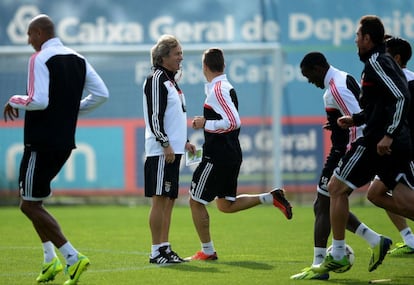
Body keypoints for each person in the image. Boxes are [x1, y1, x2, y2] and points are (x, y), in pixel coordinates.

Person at [3, 14, 109, 285]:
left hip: (40, 142)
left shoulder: (40, 58)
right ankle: (50, 260)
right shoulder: (78, 58)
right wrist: (72, 110)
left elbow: (37, 101)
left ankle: (71, 257)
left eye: (30, 35)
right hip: (64, 142)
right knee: (34, 202)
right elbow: (101, 94)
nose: (28, 41)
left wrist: (14, 99)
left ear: (39, 33)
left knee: (28, 205)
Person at [313, 15, 414, 274]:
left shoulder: (377, 62)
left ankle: (337, 254)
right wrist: (355, 118)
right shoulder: (376, 63)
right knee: (401, 200)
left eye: (358, 36)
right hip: (387, 141)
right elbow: (379, 105)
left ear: (367, 38)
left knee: (335, 188)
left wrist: (389, 134)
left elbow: (401, 97)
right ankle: (367, 244)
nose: (355, 41)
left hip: (377, 142)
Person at [187, 47, 293, 261]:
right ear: (223, 66)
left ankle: (207, 251)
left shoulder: (218, 89)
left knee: (195, 201)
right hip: (230, 153)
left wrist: (205, 123)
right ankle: (270, 198)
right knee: (225, 205)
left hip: (217, 155)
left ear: (204, 67)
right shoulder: (220, 88)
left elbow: (233, 121)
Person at [291, 52, 385, 280]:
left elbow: (358, 120)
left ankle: (320, 264)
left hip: (346, 151)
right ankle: (375, 240)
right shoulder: (341, 79)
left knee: (324, 203)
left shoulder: (337, 88)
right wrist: (334, 125)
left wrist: (352, 153)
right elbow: (353, 115)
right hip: (342, 149)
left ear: (318, 67)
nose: (309, 81)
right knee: (326, 203)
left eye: (308, 75)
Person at [142, 34, 196, 264]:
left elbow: (172, 117)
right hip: (161, 151)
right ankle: (156, 251)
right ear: (163, 57)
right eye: (177, 54)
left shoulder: (171, 81)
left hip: (173, 150)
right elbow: (155, 116)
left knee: (169, 199)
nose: (181, 57)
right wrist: (165, 143)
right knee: (160, 199)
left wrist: (183, 142)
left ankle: (165, 247)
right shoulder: (156, 79)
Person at [378, 36, 414, 255]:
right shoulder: (386, 80)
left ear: (397, 57)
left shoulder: (407, 81)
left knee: (390, 194)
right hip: (392, 148)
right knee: (375, 193)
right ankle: (409, 238)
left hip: (405, 149)